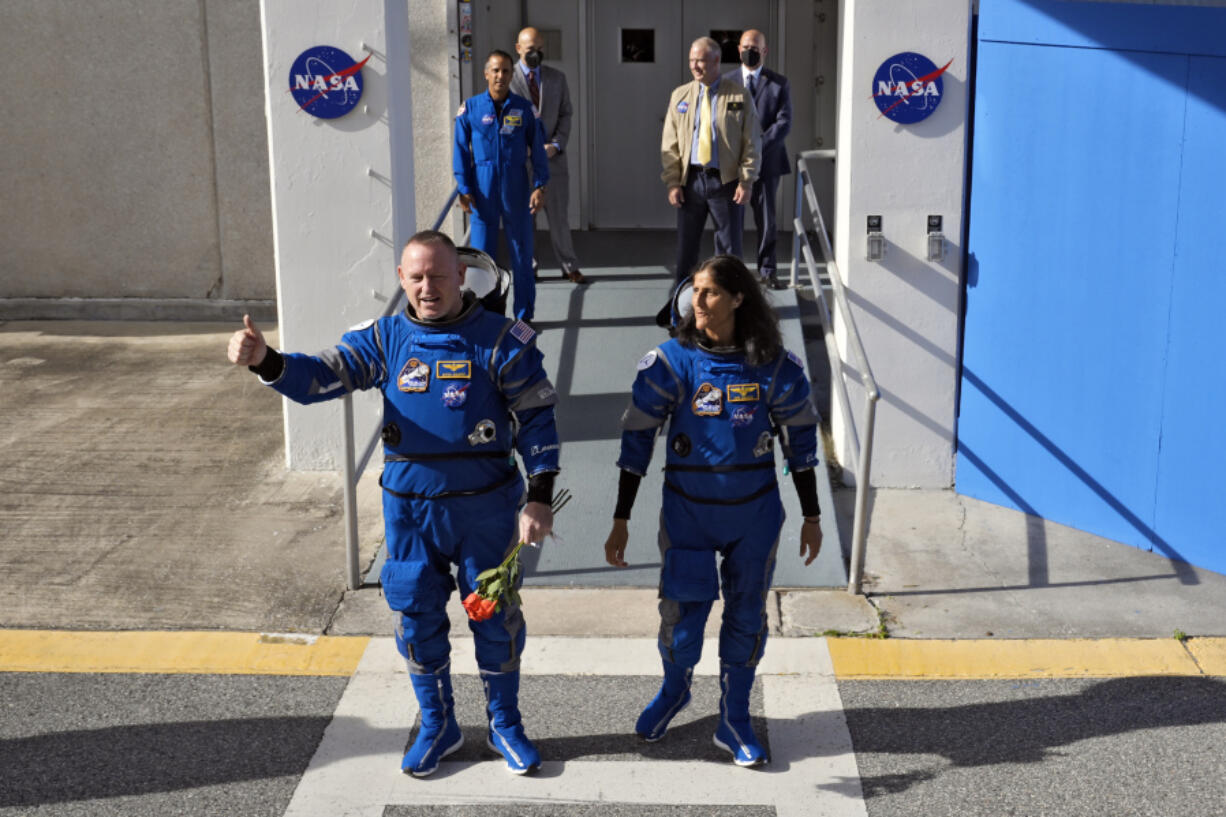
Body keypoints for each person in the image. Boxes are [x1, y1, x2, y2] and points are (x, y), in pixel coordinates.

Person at [226, 230, 559, 778]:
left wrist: (540, 497)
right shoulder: (383, 339)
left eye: (438, 275)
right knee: (417, 617)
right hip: (411, 514)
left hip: (486, 509)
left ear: (461, 276)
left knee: (495, 619)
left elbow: (539, 418)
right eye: (416, 276)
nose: (428, 287)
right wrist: (267, 360)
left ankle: (505, 725)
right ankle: (438, 725)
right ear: (402, 279)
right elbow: (320, 378)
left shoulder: (503, 340)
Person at [602, 254, 822, 768]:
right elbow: (636, 445)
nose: (697, 302)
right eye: (695, 292)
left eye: (710, 293)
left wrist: (812, 517)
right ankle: (674, 691)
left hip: (755, 516)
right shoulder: (671, 362)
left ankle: (734, 717)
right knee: (682, 621)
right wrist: (620, 518)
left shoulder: (776, 366)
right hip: (689, 516)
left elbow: (801, 445)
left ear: (739, 298)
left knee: (746, 619)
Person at [455, 50, 551, 324]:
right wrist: (463, 187)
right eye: (495, 70)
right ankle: (485, 317)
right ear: (486, 73)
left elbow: (539, 152)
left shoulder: (524, 109)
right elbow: (460, 150)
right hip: (482, 188)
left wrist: (540, 186)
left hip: (516, 186)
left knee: (522, 253)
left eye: (506, 71)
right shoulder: (470, 108)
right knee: (483, 259)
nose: (500, 76)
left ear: (511, 75)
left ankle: (524, 318)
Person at [661, 37, 761, 284]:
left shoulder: (739, 95)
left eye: (701, 61)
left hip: (725, 182)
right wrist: (673, 182)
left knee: (729, 252)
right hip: (690, 182)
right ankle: (682, 308)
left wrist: (746, 181)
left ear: (716, 60)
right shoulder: (680, 96)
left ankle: (733, 309)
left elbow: (751, 141)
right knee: (686, 251)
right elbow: (669, 143)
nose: (695, 66)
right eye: (691, 60)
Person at [510, 26, 587, 284]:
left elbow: (566, 114)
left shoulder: (557, 78)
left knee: (559, 218)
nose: (536, 54)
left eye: (540, 49)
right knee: (526, 219)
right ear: (518, 48)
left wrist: (556, 144)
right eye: (530, 49)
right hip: (522, 164)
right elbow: (504, 121)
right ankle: (530, 268)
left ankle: (569, 265)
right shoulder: (508, 80)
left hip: (554, 161)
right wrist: (527, 148)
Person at [724, 29, 792, 290]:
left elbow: (784, 123)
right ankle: (734, 273)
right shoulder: (726, 82)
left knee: (766, 219)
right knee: (732, 221)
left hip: (767, 163)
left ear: (764, 51)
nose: (749, 50)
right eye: (745, 46)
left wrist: (757, 148)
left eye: (754, 47)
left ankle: (768, 270)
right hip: (733, 165)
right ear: (738, 48)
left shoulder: (778, 83)